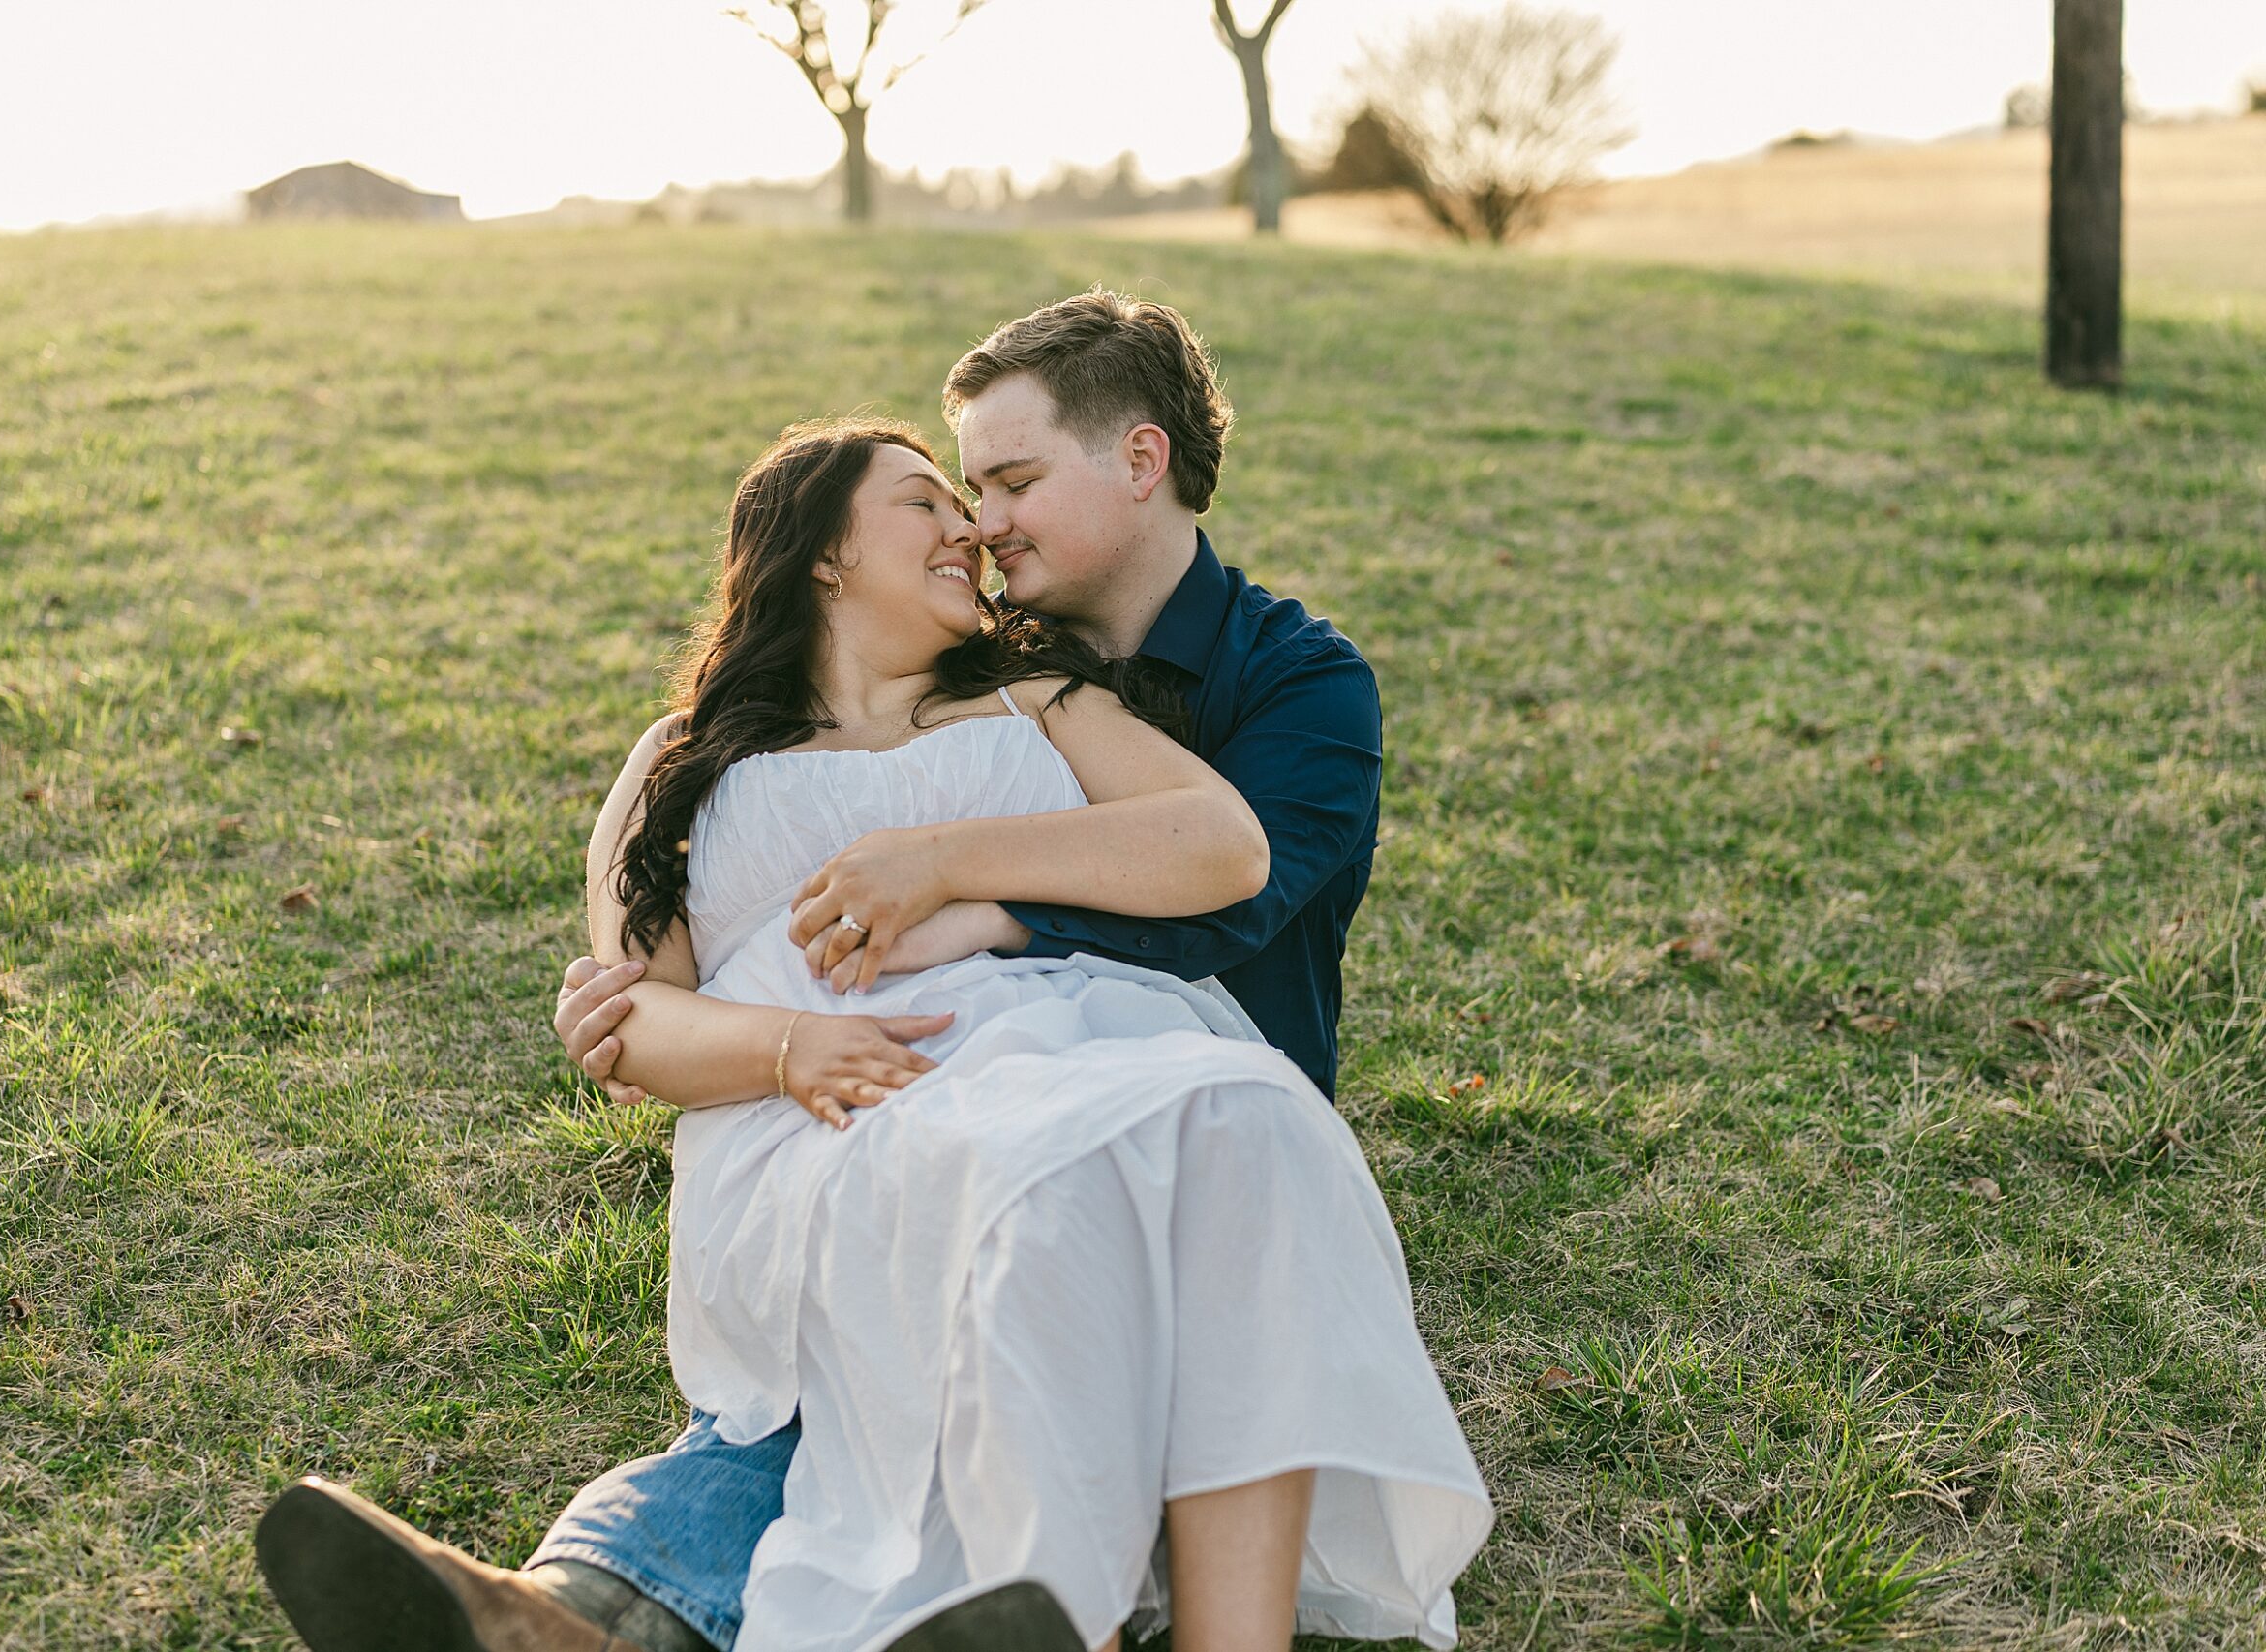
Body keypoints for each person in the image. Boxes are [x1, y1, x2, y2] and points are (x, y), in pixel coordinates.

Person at [255, 296, 1492, 1652]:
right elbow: (633, 1009)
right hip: (824, 1114)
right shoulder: (688, 757)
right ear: (823, 554)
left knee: (1058, 1213)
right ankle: (572, 1615)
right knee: (850, 1352)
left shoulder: (1107, 693)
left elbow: (1228, 861)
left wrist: (961, 881)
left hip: (1095, 1078)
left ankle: (644, 1620)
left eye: (1005, 485)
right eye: (944, 496)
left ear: (1138, 463)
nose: (977, 525)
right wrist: (782, 1048)